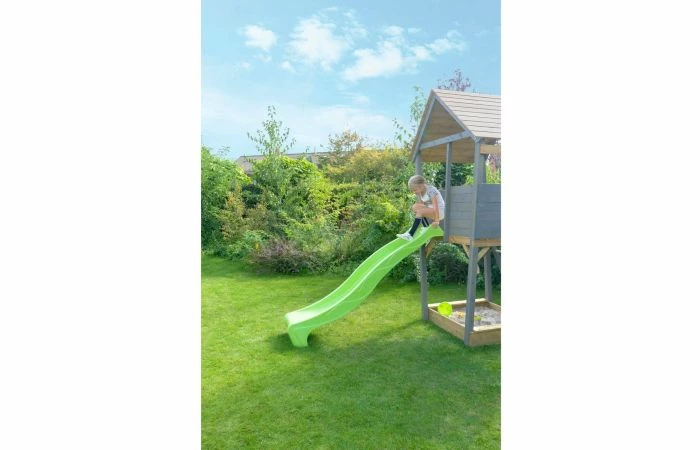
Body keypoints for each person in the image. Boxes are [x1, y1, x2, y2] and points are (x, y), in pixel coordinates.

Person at [396, 175, 445, 241]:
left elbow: (435, 205)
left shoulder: (431, 190)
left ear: (422, 185)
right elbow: (422, 205)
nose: (414, 192)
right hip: (432, 209)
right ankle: (425, 226)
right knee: (415, 207)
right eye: (412, 191)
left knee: (420, 212)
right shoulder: (421, 191)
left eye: (415, 190)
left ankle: (410, 234)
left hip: (439, 211)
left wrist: (436, 221)